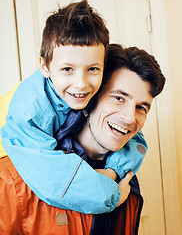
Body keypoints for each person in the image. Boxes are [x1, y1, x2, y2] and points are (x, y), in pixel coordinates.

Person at [0, 0, 148, 213]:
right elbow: (55, 181)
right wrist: (114, 195)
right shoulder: (30, 110)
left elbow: (136, 139)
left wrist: (114, 171)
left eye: (93, 69)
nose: (81, 83)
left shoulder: (84, 95)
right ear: (45, 67)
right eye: (68, 69)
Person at [0, 44, 165, 234]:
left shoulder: (126, 178)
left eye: (141, 107)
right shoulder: (13, 180)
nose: (130, 118)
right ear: (89, 96)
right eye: (119, 98)